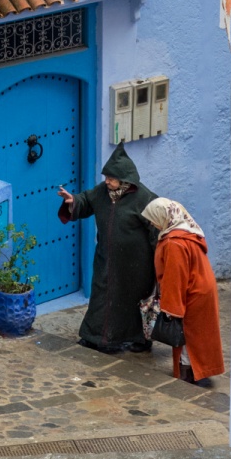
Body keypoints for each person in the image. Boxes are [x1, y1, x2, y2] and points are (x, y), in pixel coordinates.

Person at [57, 143, 158, 353]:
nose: (107, 181)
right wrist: (73, 200)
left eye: (111, 178)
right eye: (106, 177)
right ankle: (93, 337)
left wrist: (158, 257)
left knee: (131, 301)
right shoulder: (102, 192)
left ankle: (138, 339)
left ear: (124, 179)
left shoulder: (144, 198)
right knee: (101, 296)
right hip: (106, 258)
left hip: (135, 265)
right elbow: (86, 200)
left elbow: (156, 227)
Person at [141, 197, 225, 385]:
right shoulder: (186, 232)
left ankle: (190, 373)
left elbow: (175, 277)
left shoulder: (173, 243)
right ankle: (197, 370)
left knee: (189, 334)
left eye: (154, 218)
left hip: (193, 293)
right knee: (199, 333)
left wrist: (171, 308)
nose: (153, 223)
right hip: (201, 287)